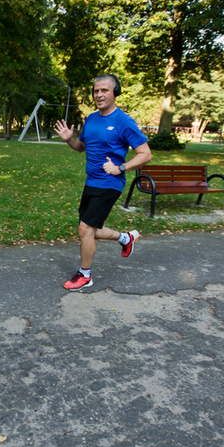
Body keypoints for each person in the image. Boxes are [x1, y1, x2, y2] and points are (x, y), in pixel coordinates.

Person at [53, 73, 152, 291]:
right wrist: (70, 139)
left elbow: (145, 154)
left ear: (115, 92)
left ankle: (85, 275)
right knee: (88, 230)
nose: (99, 95)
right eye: (96, 90)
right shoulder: (91, 119)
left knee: (85, 228)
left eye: (104, 90)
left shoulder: (124, 121)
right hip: (92, 182)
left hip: (110, 183)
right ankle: (125, 238)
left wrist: (121, 167)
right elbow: (82, 147)